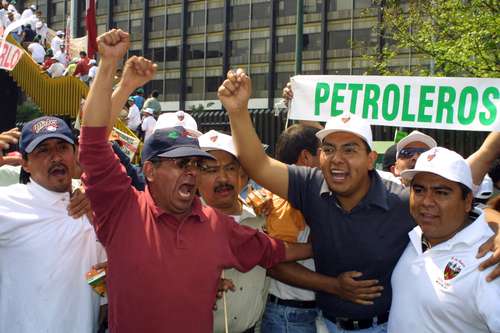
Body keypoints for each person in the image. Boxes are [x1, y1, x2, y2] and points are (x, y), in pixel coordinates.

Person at [218, 69, 500, 333]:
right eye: (329, 149)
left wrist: (497, 226)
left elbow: (457, 204)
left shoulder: (402, 201)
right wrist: (238, 111)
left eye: (350, 149)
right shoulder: (311, 185)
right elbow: (258, 165)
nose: (337, 158)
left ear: (370, 159)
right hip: (324, 324)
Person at [78, 29, 312, 333]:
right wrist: (109, 64)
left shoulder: (218, 225)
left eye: (195, 163)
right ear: (148, 170)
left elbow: (276, 251)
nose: (191, 171)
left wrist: (329, 241)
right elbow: (93, 142)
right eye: (179, 163)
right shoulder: (121, 210)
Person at [0, 116, 105, 333]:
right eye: (43, 150)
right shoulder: (8, 202)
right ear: (25, 164)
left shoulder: (93, 207)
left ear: (74, 154)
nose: (56, 157)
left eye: (62, 147)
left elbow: (98, 281)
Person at [388, 147, 500, 332]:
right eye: (419, 189)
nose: (426, 201)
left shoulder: (489, 260)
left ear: (467, 201)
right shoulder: (417, 233)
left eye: (441, 192)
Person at [197, 130, 270, 333]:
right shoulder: (182, 224)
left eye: (230, 168)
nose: (222, 178)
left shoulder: (262, 219)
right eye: (211, 170)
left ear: (242, 174)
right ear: (194, 177)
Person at [257, 124, 323, 333]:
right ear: (306, 157)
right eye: (324, 152)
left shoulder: (280, 195)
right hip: (289, 317)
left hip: (304, 313)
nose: (330, 161)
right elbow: (275, 261)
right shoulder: (281, 203)